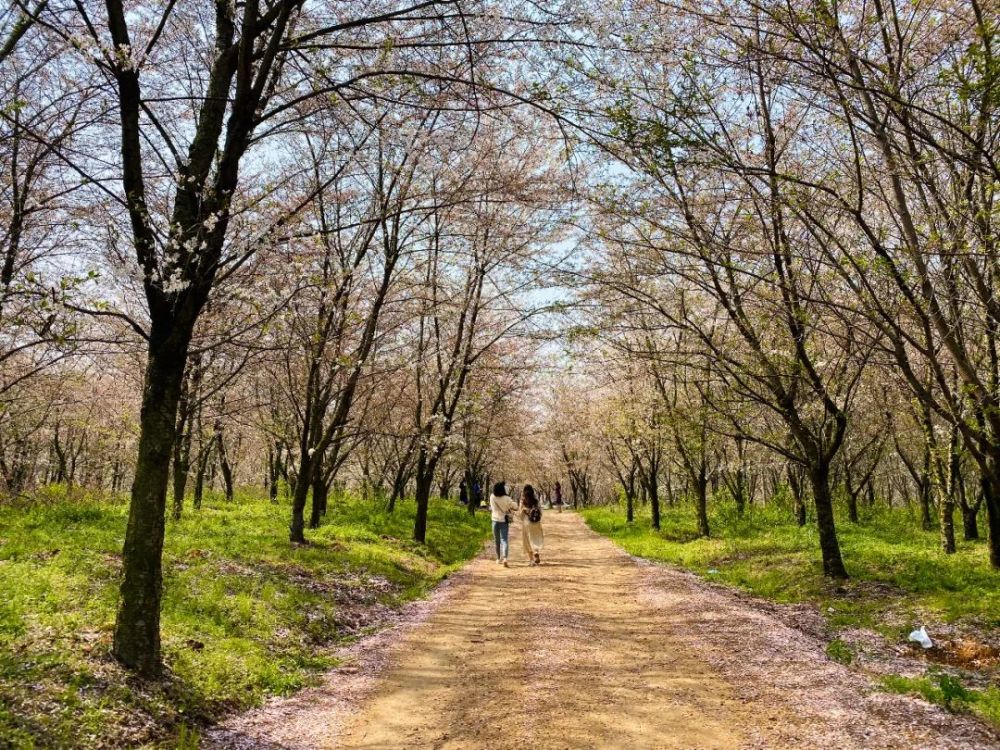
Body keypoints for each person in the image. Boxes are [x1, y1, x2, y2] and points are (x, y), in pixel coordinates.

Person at [489, 482, 517, 567]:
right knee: (504, 540)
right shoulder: (506, 498)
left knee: (497, 540)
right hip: (503, 521)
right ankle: (505, 558)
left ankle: (498, 558)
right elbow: (515, 506)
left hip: (494, 520)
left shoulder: (492, 496)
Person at [519, 484, 545, 565]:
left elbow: (521, 515)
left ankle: (531, 561)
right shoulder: (536, 500)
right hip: (536, 522)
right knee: (536, 538)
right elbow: (540, 512)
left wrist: (524, 511)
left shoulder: (523, 501)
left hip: (526, 523)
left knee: (527, 540)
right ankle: (536, 551)